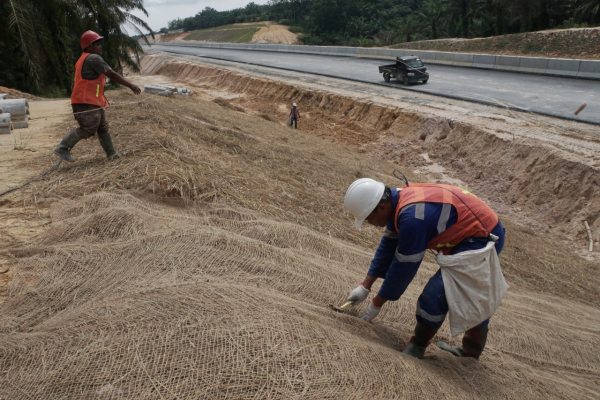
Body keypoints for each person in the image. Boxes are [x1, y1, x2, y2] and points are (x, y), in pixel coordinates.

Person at [343, 178, 507, 360]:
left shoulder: (413, 218)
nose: (370, 223)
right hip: (470, 232)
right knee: (462, 292)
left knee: (436, 294)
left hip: (482, 237)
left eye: (368, 218)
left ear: (381, 207)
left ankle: (420, 345)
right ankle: (468, 350)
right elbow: (388, 246)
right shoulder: (396, 201)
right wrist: (365, 286)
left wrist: (376, 304)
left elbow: (403, 268)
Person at [54, 30, 141, 162]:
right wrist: (131, 85)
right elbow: (110, 73)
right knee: (88, 128)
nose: (100, 46)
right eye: (97, 43)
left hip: (91, 101)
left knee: (102, 127)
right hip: (84, 101)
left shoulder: (84, 58)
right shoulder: (93, 58)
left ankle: (112, 154)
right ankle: (63, 148)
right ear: (89, 46)